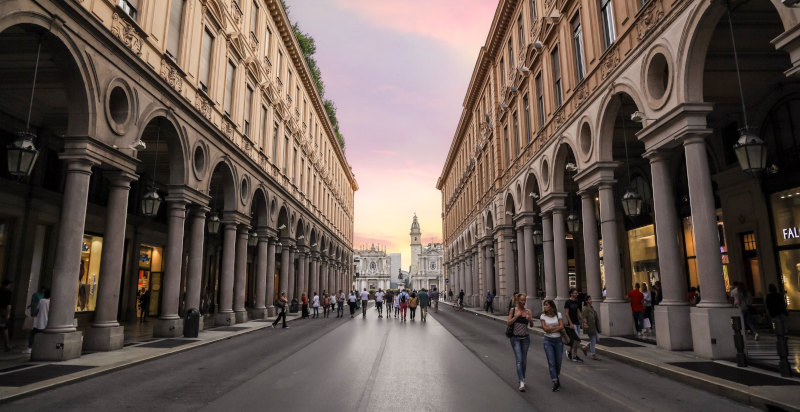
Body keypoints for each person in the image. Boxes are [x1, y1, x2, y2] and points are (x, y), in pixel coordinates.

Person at [508, 293, 534, 392]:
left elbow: (531, 326)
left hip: (525, 338)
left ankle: (522, 377)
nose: (523, 302)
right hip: (515, 338)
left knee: (524, 361)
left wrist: (530, 320)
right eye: (521, 300)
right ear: (518, 301)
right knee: (519, 360)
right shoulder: (513, 310)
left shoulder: (528, 311)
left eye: (524, 300)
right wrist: (516, 316)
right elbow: (508, 322)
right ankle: (522, 381)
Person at [540, 299, 565, 392]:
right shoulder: (543, 316)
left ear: (551, 306)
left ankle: (556, 375)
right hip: (548, 341)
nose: (545, 306)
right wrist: (556, 328)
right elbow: (545, 329)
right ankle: (555, 381)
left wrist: (552, 329)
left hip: (558, 341)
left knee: (558, 362)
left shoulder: (558, 315)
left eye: (546, 305)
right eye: (544, 305)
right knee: (551, 362)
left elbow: (562, 326)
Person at [24, 289, 50, 354]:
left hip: (39, 322)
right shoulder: (51, 302)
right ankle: (45, 348)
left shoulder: (41, 301)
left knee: (32, 334)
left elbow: (37, 310)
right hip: (47, 322)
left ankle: (30, 348)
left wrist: (33, 315)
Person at [564, 287, 584, 363]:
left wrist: (583, 321)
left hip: (577, 323)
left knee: (576, 340)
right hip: (572, 323)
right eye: (575, 293)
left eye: (577, 293)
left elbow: (579, 312)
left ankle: (570, 352)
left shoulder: (577, 302)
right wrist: (570, 323)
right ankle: (575, 355)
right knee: (576, 340)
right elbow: (566, 313)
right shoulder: (568, 302)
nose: (577, 294)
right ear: (571, 294)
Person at [581, 295, 600, 360]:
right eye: (589, 299)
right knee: (593, 340)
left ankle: (585, 347)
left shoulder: (591, 307)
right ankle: (593, 354)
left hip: (594, 326)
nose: (590, 300)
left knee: (597, 339)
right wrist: (585, 323)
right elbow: (584, 317)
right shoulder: (585, 308)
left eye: (590, 299)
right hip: (589, 326)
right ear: (586, 301)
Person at [1, 279, 14, 351]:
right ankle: (7, 345)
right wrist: (8, 314)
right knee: (4, 328)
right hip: (3, 311)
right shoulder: (8, 292)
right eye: (10, 285)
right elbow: (8, 305)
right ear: (8, 285)